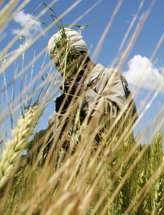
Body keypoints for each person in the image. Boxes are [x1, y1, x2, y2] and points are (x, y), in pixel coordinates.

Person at [32, 28, 137, 159]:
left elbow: (120, 118)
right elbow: (52, 146)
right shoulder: (66, 96)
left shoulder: (109, 77)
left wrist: (84, 96)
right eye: (57, 65)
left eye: (63, 62)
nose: (61, 70)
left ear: (79, 54)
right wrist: (61, 114)